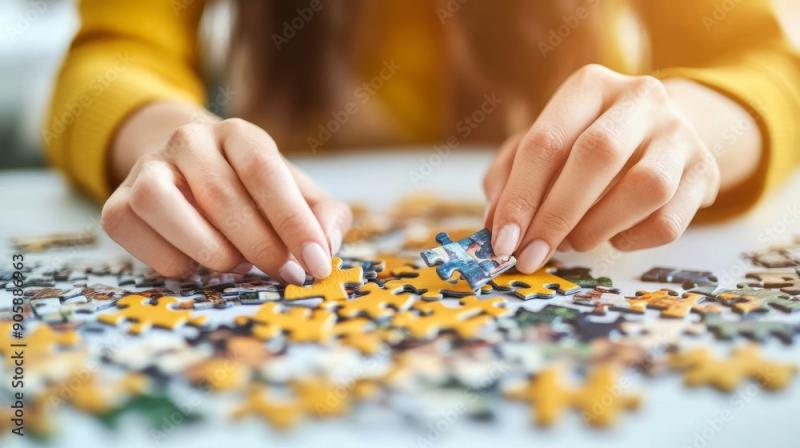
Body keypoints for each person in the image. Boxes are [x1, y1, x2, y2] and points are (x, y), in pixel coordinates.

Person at [44, 0, 800, 284]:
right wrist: (156, 132)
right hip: (288, 245)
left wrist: (698, 125)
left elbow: (763, 62)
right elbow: (111, 53)